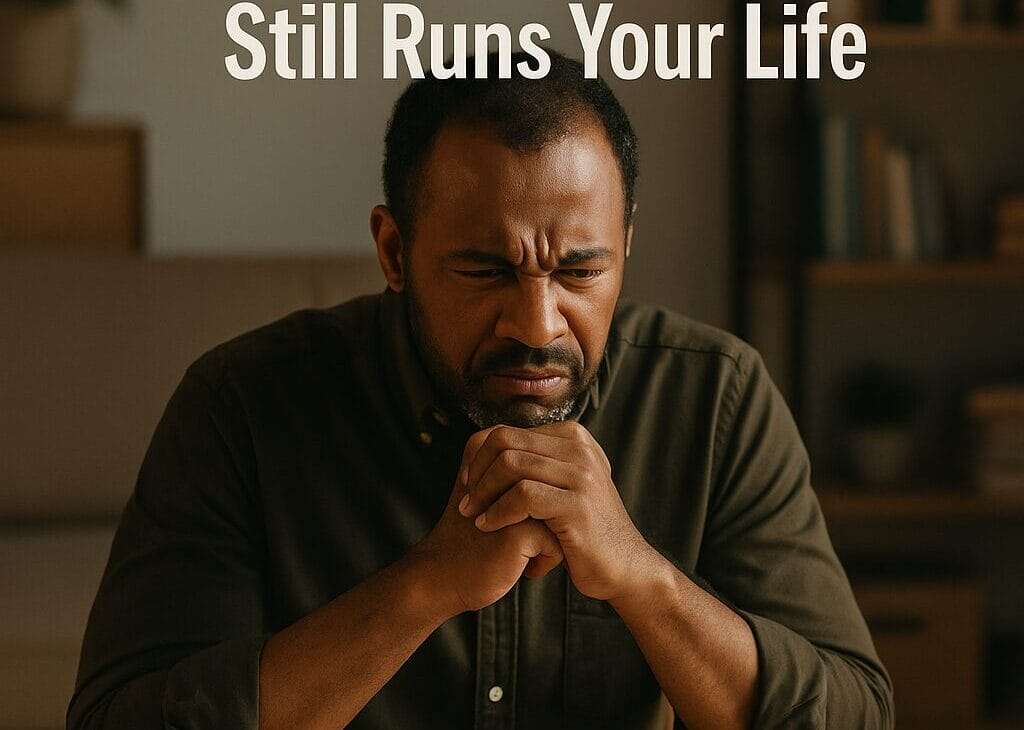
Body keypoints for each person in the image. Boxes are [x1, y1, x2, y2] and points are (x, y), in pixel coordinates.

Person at [68, 50, 892, 730]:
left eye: (580, 270)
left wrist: (641, 577)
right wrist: (425, 585)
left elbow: (853, 713)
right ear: (394, 251)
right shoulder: (239, 407)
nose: (538, 325)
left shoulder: (718, 398)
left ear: (627, 244)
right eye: (484, 269)